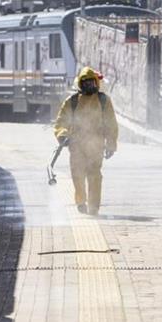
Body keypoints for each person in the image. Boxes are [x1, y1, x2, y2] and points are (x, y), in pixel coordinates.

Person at [54, 66, 119, 215]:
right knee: (77, 175)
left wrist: (111, 144)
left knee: (94, 175)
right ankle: (81, 201)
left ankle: (93, 206)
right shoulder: (72, 101)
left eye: (92, 83)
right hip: (76, 146)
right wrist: (62, 134)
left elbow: (111, 124)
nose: (89, 86)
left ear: (96, 83)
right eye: (86, 83)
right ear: (80, 84)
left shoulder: (103, 101)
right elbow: (61, 121)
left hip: (96, 146)